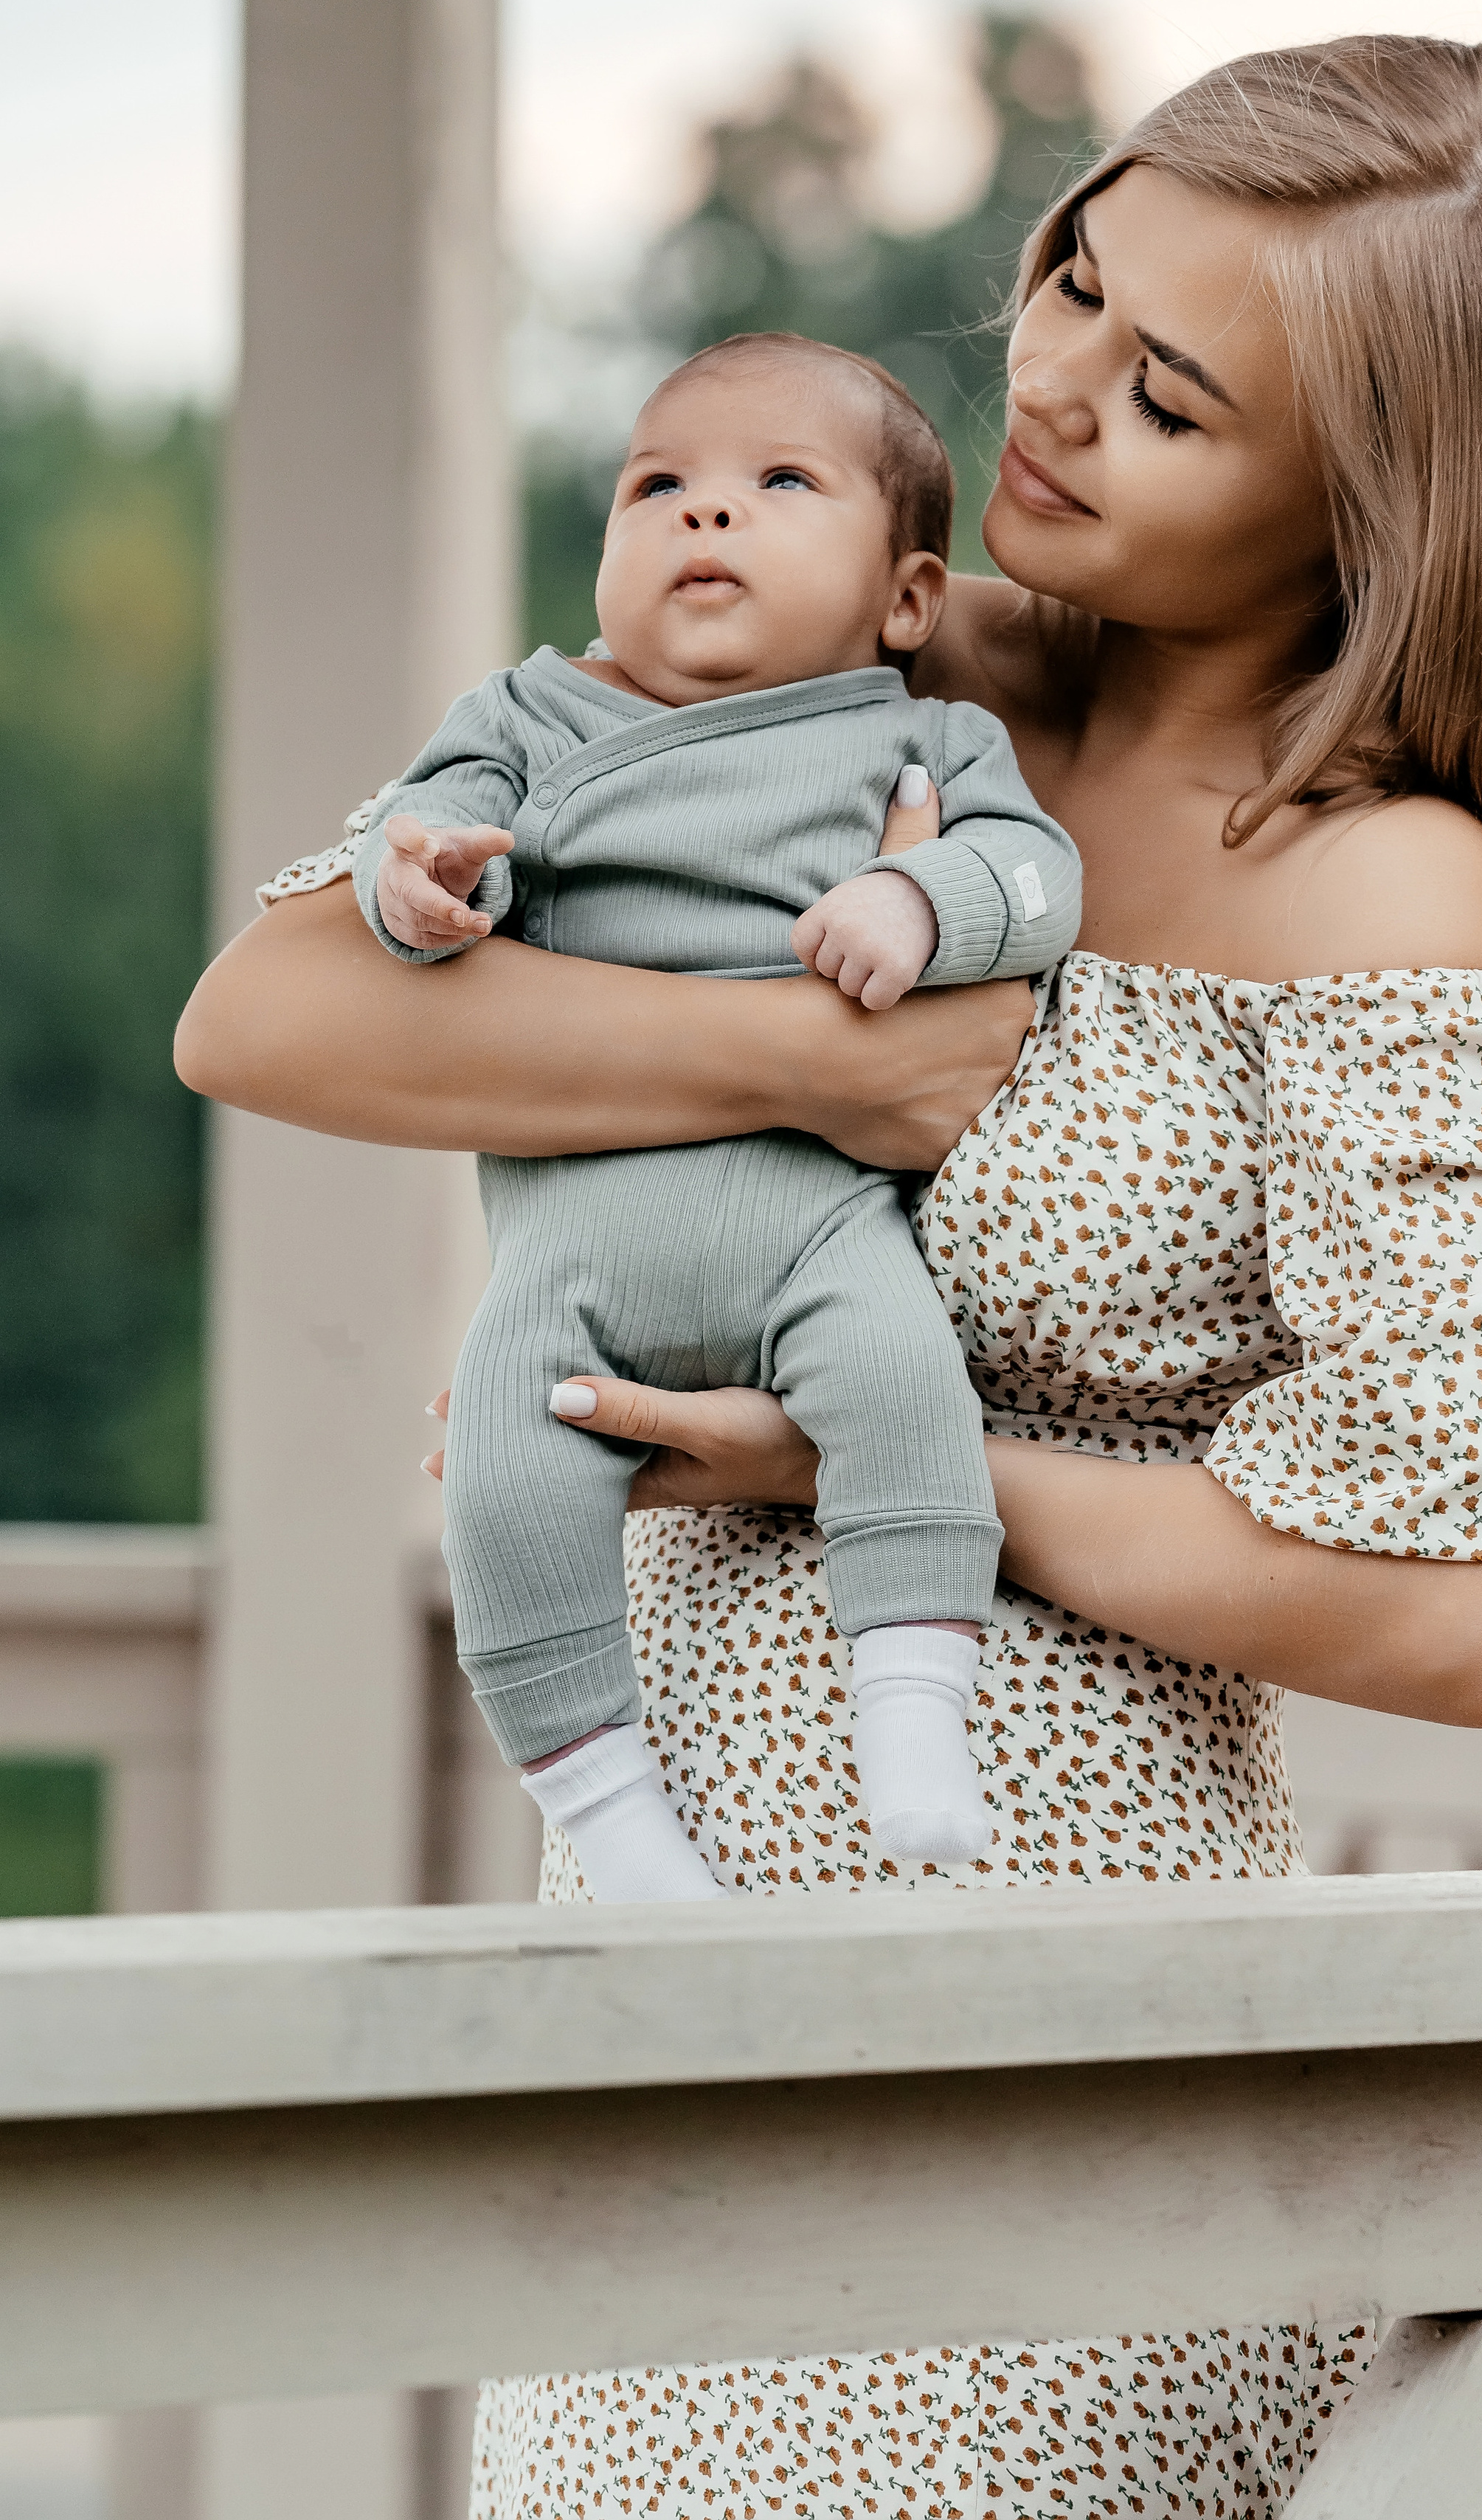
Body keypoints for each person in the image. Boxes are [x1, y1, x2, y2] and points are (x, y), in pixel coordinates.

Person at [176, 33, 1482, 2513]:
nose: (1055, 391)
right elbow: (273, 1007)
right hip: (657, 1989)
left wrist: (880, 1462)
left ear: (1388, 507)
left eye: (1173, 394)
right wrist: (814, 1056)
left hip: (1037, 2035)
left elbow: (1461, 1612)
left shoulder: (1377, 881)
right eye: (1077, 279)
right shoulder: (880, 662)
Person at [350, 333, 1079, 1891]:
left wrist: (918, 892)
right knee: (502, 1486)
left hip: (813, 1224)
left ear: (904, 598)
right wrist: (414, 876)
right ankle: (607, 1814)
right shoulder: (532, 718)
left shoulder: (922, 738)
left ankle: (910, 1707)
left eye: (778, 484)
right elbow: (401, 819)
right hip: (567, 1258)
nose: (703, 516)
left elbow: (1038, 878)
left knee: (903, 1392)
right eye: (656, 486)